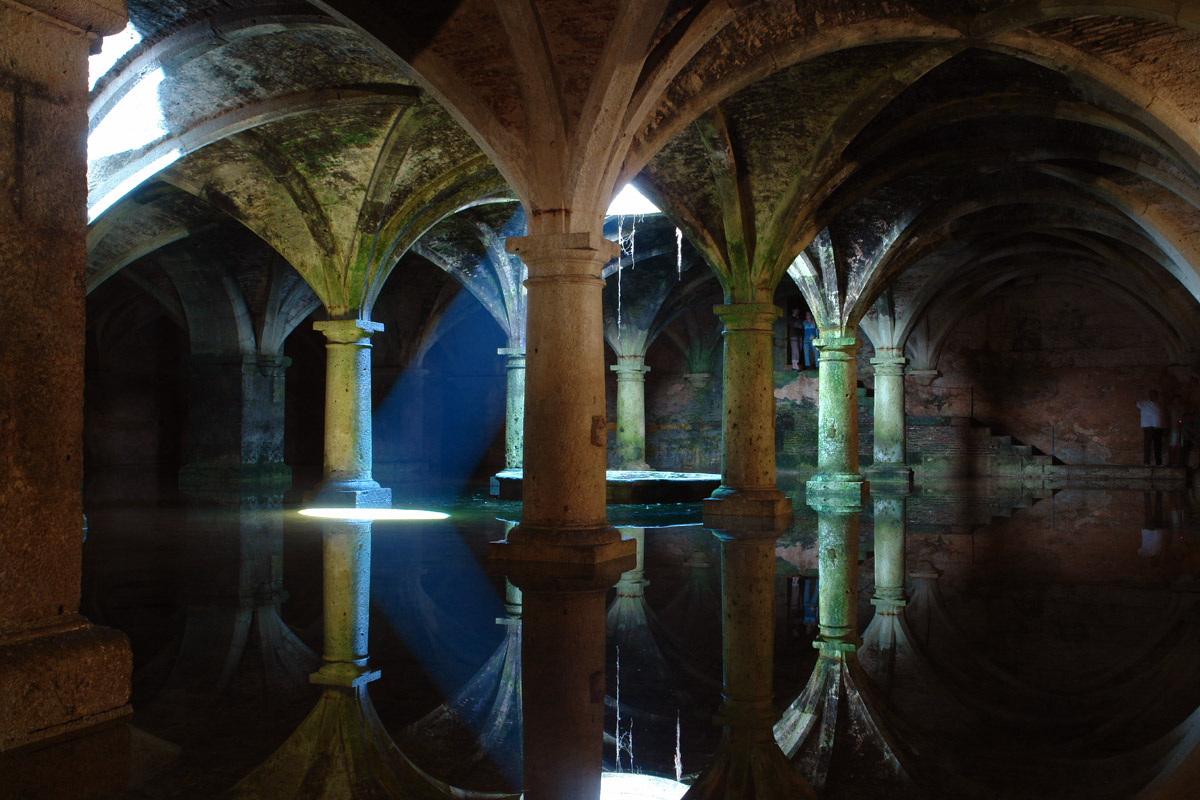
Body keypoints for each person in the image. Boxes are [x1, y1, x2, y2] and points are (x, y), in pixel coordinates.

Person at [1136, 390, 1164, 466]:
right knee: (1147, 445)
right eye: (1151, 395)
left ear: (1157, 396)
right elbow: (1137, 403)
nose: (1152, 396)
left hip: (1157, 427)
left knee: (1158, 446)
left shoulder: (1158, 404)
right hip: (1148, 426)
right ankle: (1146, 462)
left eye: (1154, 395)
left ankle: (1159, 462)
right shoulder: (1144, 403)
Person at [1166, 393, 1186, 466]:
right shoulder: (1170, 408)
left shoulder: (1183, 408)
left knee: (1179, 445)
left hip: (1181, 429)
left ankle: (1177, 461)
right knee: (1172, 445)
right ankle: (1170, 461)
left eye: (1178, 400)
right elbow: (1167, 418)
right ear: (1173, 400)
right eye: (1176, 399)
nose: (1177, 401)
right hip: (1173, 429)